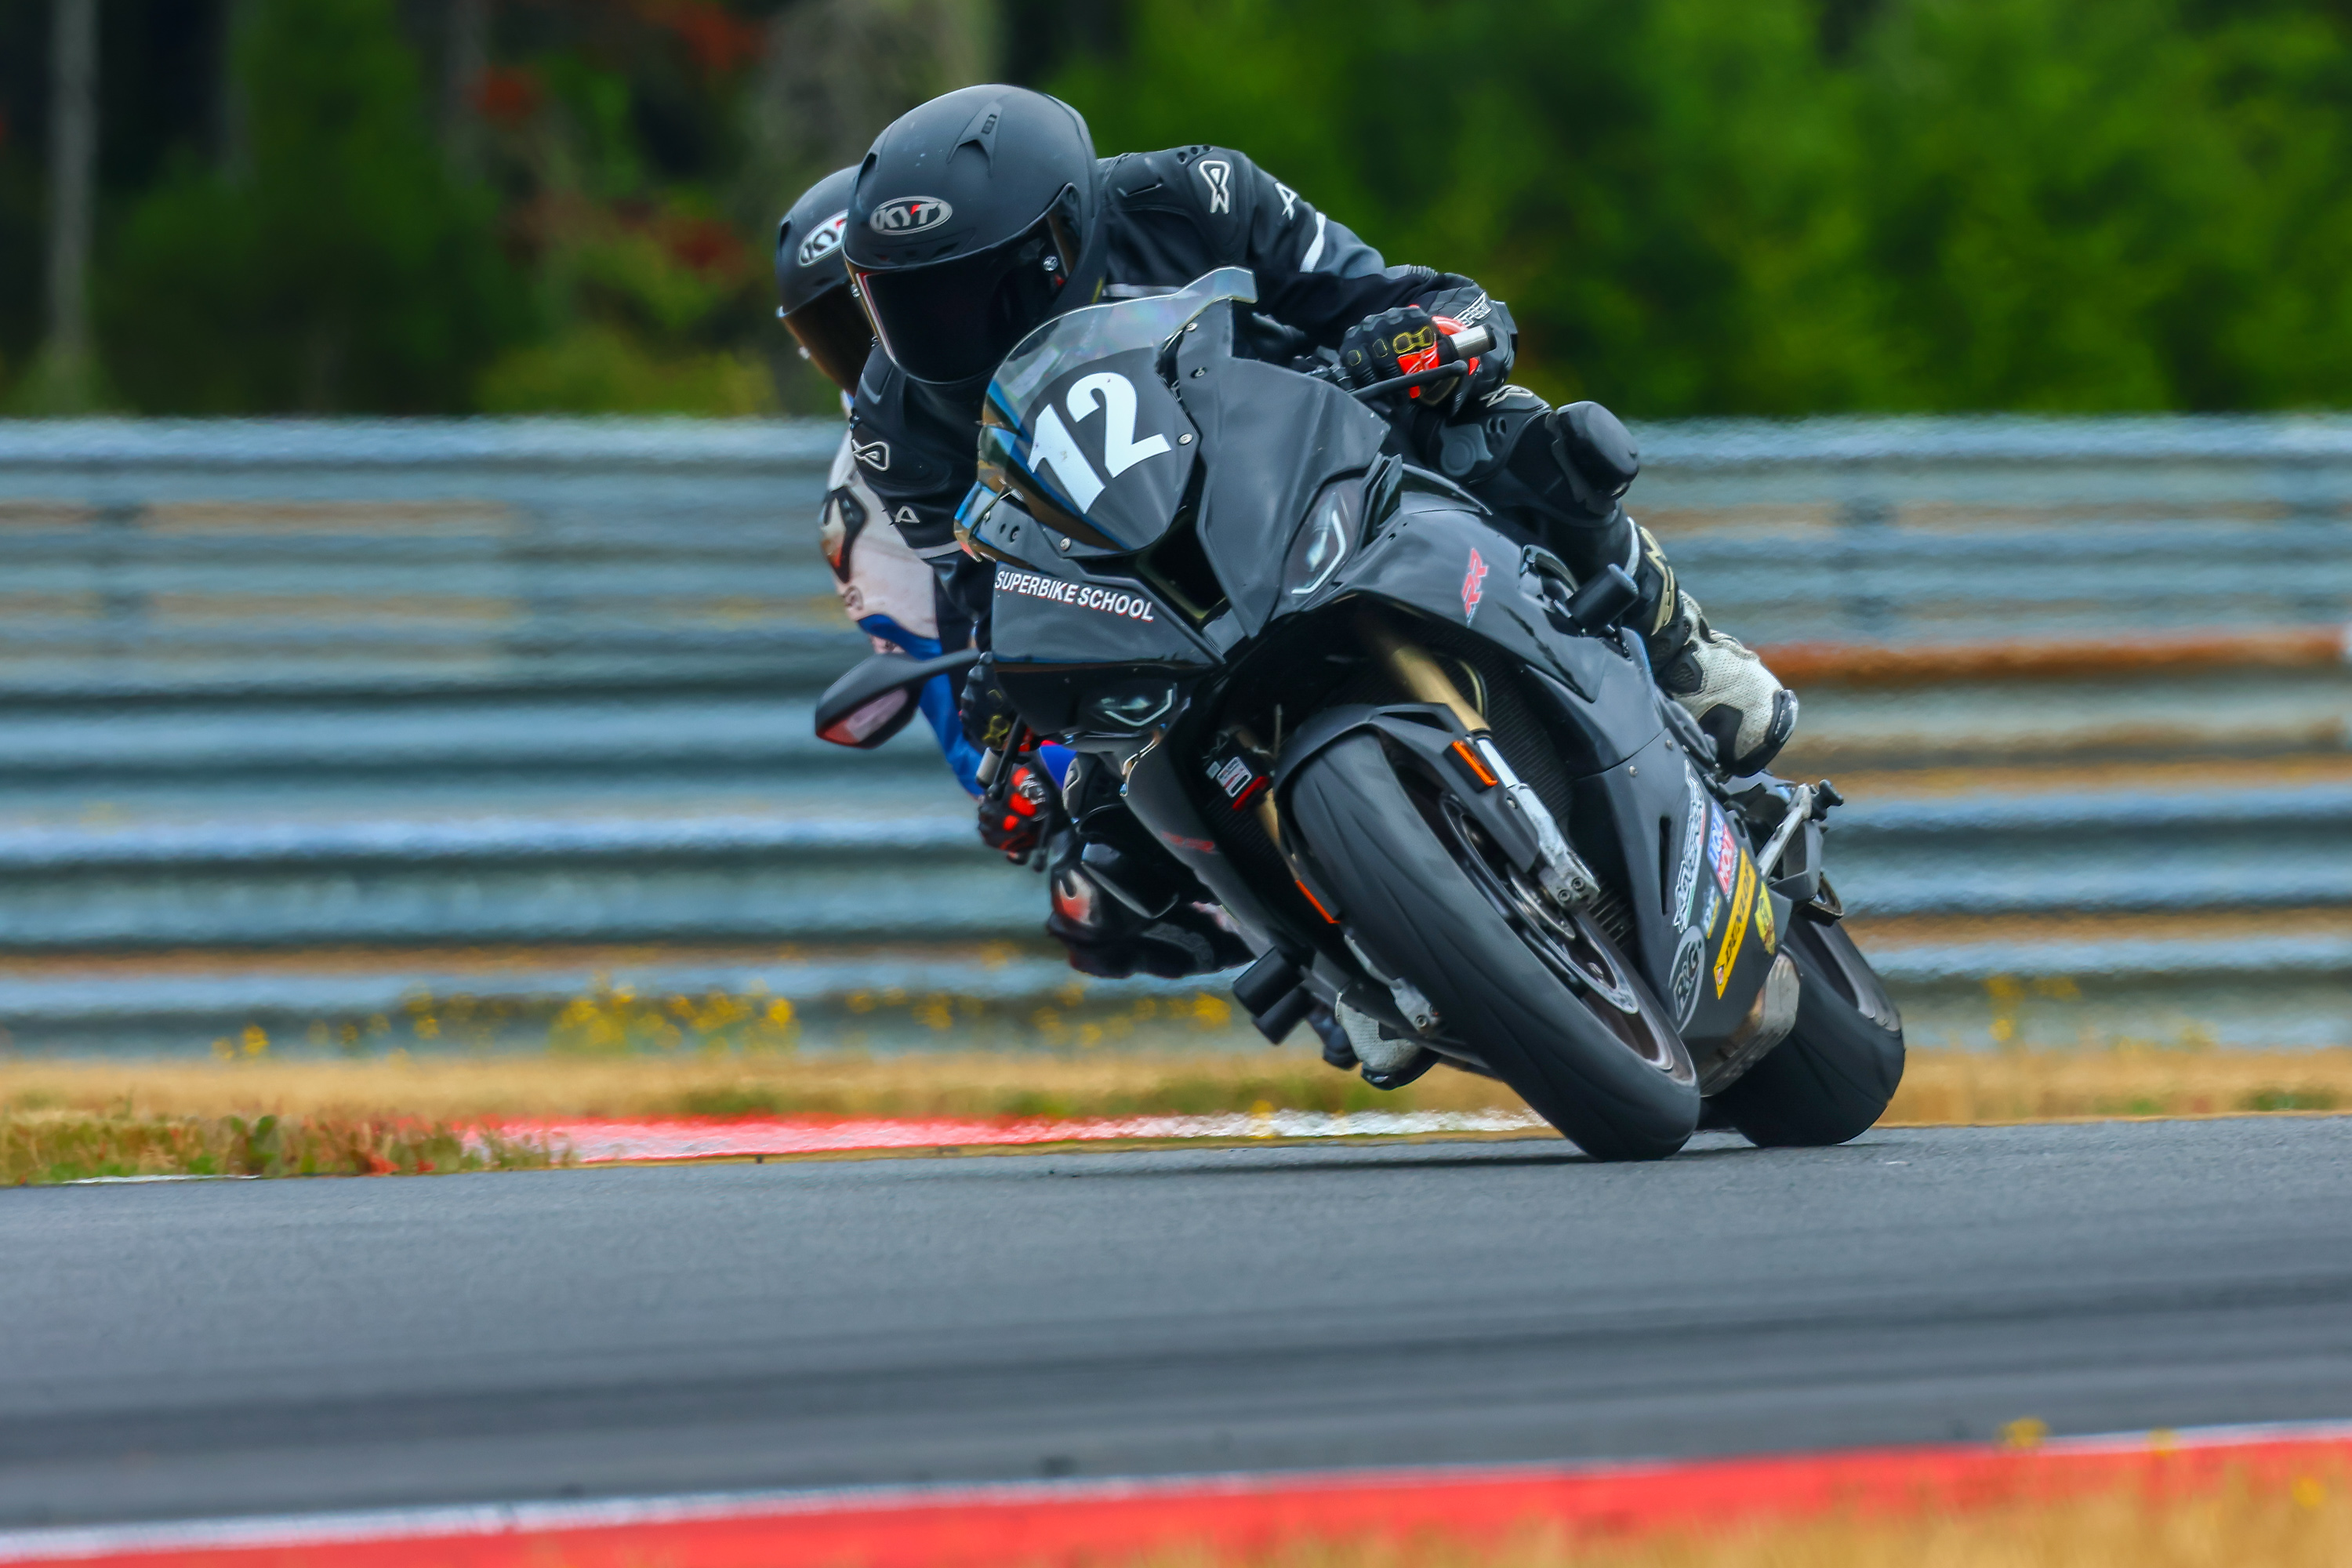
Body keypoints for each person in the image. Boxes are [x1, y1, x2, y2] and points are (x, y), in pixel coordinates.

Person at [777, 167, 1243, 982]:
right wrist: (1029, 776)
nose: (891, 343)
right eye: (843, 330)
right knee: (1091, 893)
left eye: (910, 303)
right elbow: (961, 710)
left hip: (1239, 569)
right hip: (1101, 704)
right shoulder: (860, 508)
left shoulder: (1114, 315)